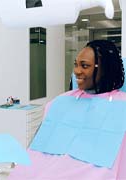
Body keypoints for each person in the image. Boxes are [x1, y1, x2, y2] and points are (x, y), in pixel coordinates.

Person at [7, 40, 126, 180]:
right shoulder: (60, 102)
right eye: (75, 65)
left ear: (105, 69)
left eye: (85, 66)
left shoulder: (121, 107)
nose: (77, 71)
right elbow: (37, 147)